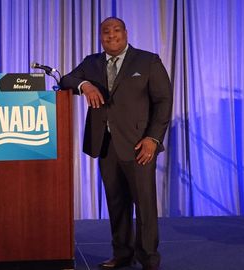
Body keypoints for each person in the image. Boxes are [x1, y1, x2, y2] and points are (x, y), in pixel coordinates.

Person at [60, 17, 173, 270]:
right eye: (105, 32)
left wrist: (152, 139)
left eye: (116, 30)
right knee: (116, 202)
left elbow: (164, 101)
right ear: (100, 36)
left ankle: (149, 260)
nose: (111, 35)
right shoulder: (92, 63)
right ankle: (122, 254)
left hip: (139, 146)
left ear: (126, 32)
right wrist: (84, 84)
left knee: (144, 205)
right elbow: (66, 79)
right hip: (106, 145)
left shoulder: (147, 61)